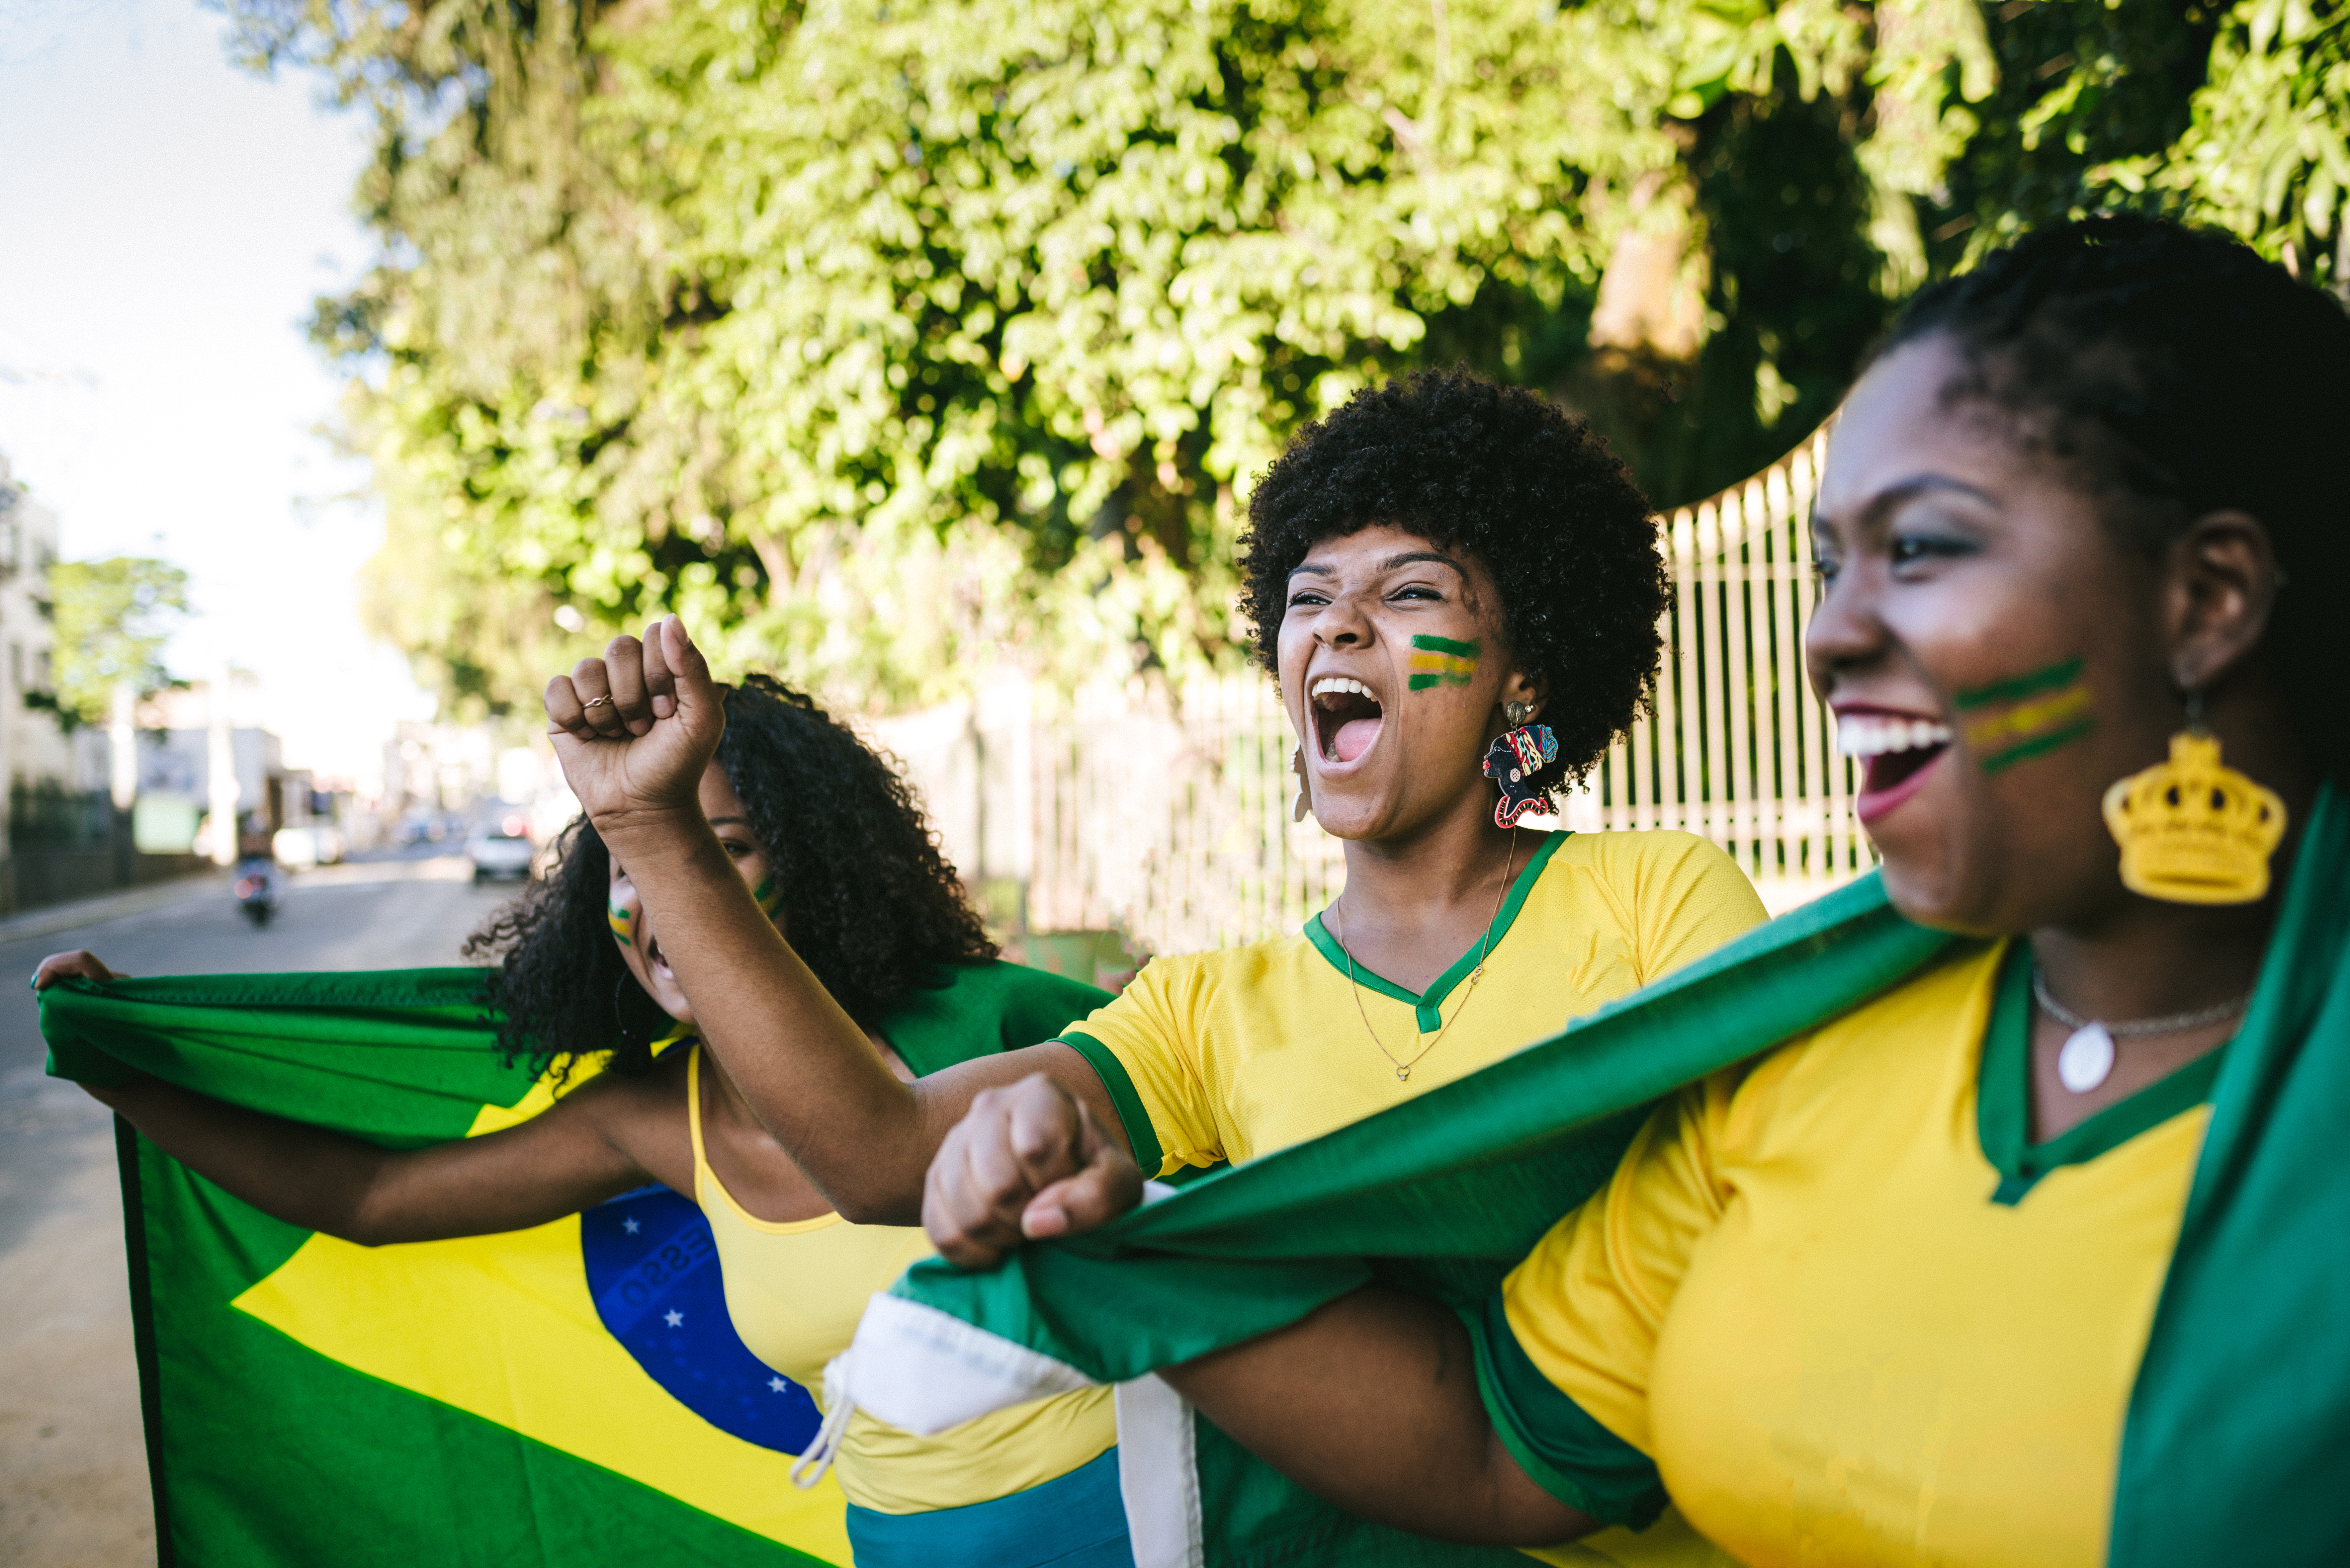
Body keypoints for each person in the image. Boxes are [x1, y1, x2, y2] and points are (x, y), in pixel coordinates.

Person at [981, 218, 2349, 1566]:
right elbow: (1500, 1439)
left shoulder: (1672, 920)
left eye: (1921, 550)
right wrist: (1130, 1249)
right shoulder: (1793, 1054)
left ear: (2209, 595)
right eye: (1824, 571)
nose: (1828, 636)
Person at [543, 372, 1770, 1560]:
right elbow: (880, 1157)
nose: (1339, 624)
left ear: (1528, 672)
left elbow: (1763, 1213)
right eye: (1309, 598)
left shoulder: (1653, 895)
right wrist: (653, 829)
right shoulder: (1200, 1013)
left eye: (1410, 593)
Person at [37, 676, 1126, 1568]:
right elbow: (370, 1200)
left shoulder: (1001, 1023)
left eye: (723, 849)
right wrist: (133, 1077)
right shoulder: (655, 1117)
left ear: (822, 871)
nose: (664, 897)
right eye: (631, 857)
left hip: (1144, 1519)